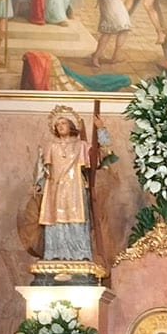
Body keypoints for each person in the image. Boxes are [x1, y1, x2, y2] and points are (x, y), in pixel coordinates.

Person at [37, 106, 93, 262]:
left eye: (63, 123)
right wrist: (38, 184)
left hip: (75, 188)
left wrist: (101, 132)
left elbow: (100, 158)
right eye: (57, 124)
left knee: (76, 216)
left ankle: (78, 253)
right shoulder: (51, 146)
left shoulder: (82, 145)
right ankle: (56, 252)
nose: (60, 126)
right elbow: (43, 169)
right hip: (56, 188)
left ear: (71, 125)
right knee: (55, 217)